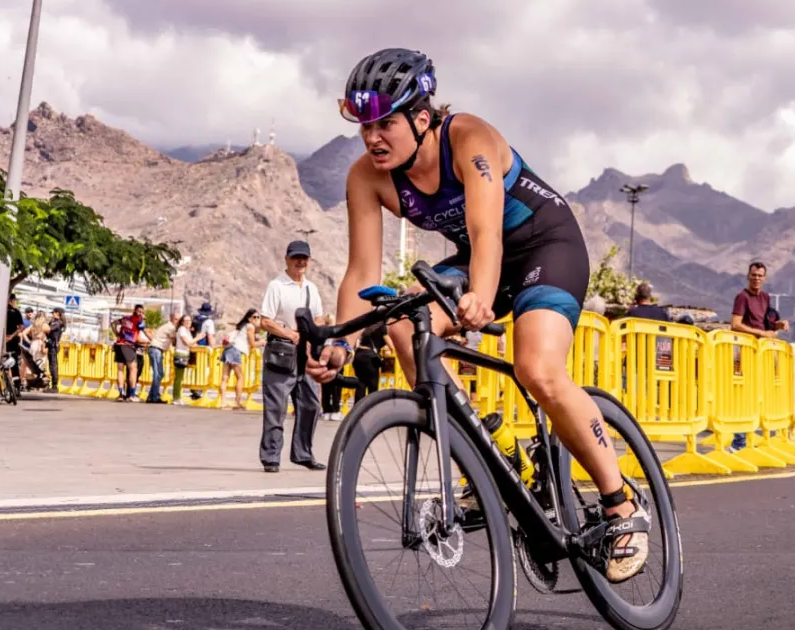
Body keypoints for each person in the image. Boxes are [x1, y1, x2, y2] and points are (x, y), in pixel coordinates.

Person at [307, 48, 649, 582]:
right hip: (480, 259)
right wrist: (340, 343)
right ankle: (495, 447)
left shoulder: (470, 138)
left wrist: (482, 295)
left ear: (422, 118)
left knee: (536, 368)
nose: (373, 137)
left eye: (386, 123)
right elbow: (360, 273)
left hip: (545, 247)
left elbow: (487, 231)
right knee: (400, 322)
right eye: (365, 125)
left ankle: (621, 504)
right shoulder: (366, 177)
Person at [258, 240, 327, 471]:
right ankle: (271, 458)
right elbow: (265, 321)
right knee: (276, 408)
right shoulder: (276, 286)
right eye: (296, 257)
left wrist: (312, 331)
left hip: (303, 354)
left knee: (311, 404)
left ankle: (303, 453)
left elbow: (319, 317)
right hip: (280, 353)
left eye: (304, 258)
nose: (300, 262)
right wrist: (289, 333)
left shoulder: (311, 288)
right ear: (286, 259)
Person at [728, 262, 790, 450]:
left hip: (761, 352)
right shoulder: (742, 297)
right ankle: (738, 442)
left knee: (759, 395)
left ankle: (756, 438)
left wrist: (777, 326)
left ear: (765, 278)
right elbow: (735, 324)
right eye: (753, 275)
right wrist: (762, 334)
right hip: (743, 351)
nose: (756, 278)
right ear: (748, 276)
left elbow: (765, 323)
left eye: (760, 275)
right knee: (742, 395)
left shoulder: (765, 297)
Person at [220, 309, 260, 411]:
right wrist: (263, 342)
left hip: (228, 349)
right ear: (249, 318)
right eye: (254, 317)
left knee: (225, 377)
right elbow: (253, 344)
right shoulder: (250, 327)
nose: (256, 319)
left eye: (257, 317)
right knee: (240, 377)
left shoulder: (241, 326)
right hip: (236, 350)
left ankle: (223, 402)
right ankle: (237, 402)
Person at [113, 304, 147, 401]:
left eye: (141, 312)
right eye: (140, 311)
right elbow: (143, 330)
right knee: (133, 369)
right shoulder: (138, 320)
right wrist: (143, 319)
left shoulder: (125, 318)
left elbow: (113, 323)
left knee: (120, 370)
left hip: (119, 344)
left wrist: (116, 333)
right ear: (136, 311)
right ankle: (132, 395)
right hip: (128, 345)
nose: (140, 313)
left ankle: (120, 395)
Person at [172, 313, 196, 405]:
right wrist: (197, 338)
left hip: (185, 354)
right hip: (180, 354)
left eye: (189, 320)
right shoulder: (182, 329)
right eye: (186, 320)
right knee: (178, 377)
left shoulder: (187, 331)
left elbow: (191, 343)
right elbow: (187, 342)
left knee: (180, 377)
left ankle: (178, 397)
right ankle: (176, 397)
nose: (188, 322)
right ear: (182, 322)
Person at [45, 308, 65, 393]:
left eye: (53, 313)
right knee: (51, 365)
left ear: (57, 313)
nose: (52, 314)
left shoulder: (58, 323)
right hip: (51, 345)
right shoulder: (55, 322)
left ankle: (54, 386)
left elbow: (48, 330)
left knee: (53, 365)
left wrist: (44, 324)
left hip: (53, 346)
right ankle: (52, 385)